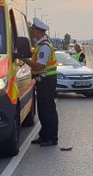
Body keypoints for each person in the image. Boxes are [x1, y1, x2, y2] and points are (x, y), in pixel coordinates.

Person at [22, 17, 68, 150]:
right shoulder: (40, 45)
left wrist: (23, 59)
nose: (31, 31)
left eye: (33, 29)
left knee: (48, 110)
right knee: (42, 109)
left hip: (47, 80)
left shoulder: (44, 47)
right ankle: (44, 134)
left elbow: (39, 66)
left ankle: (51, 137)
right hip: (43, 80)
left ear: (38, 31)